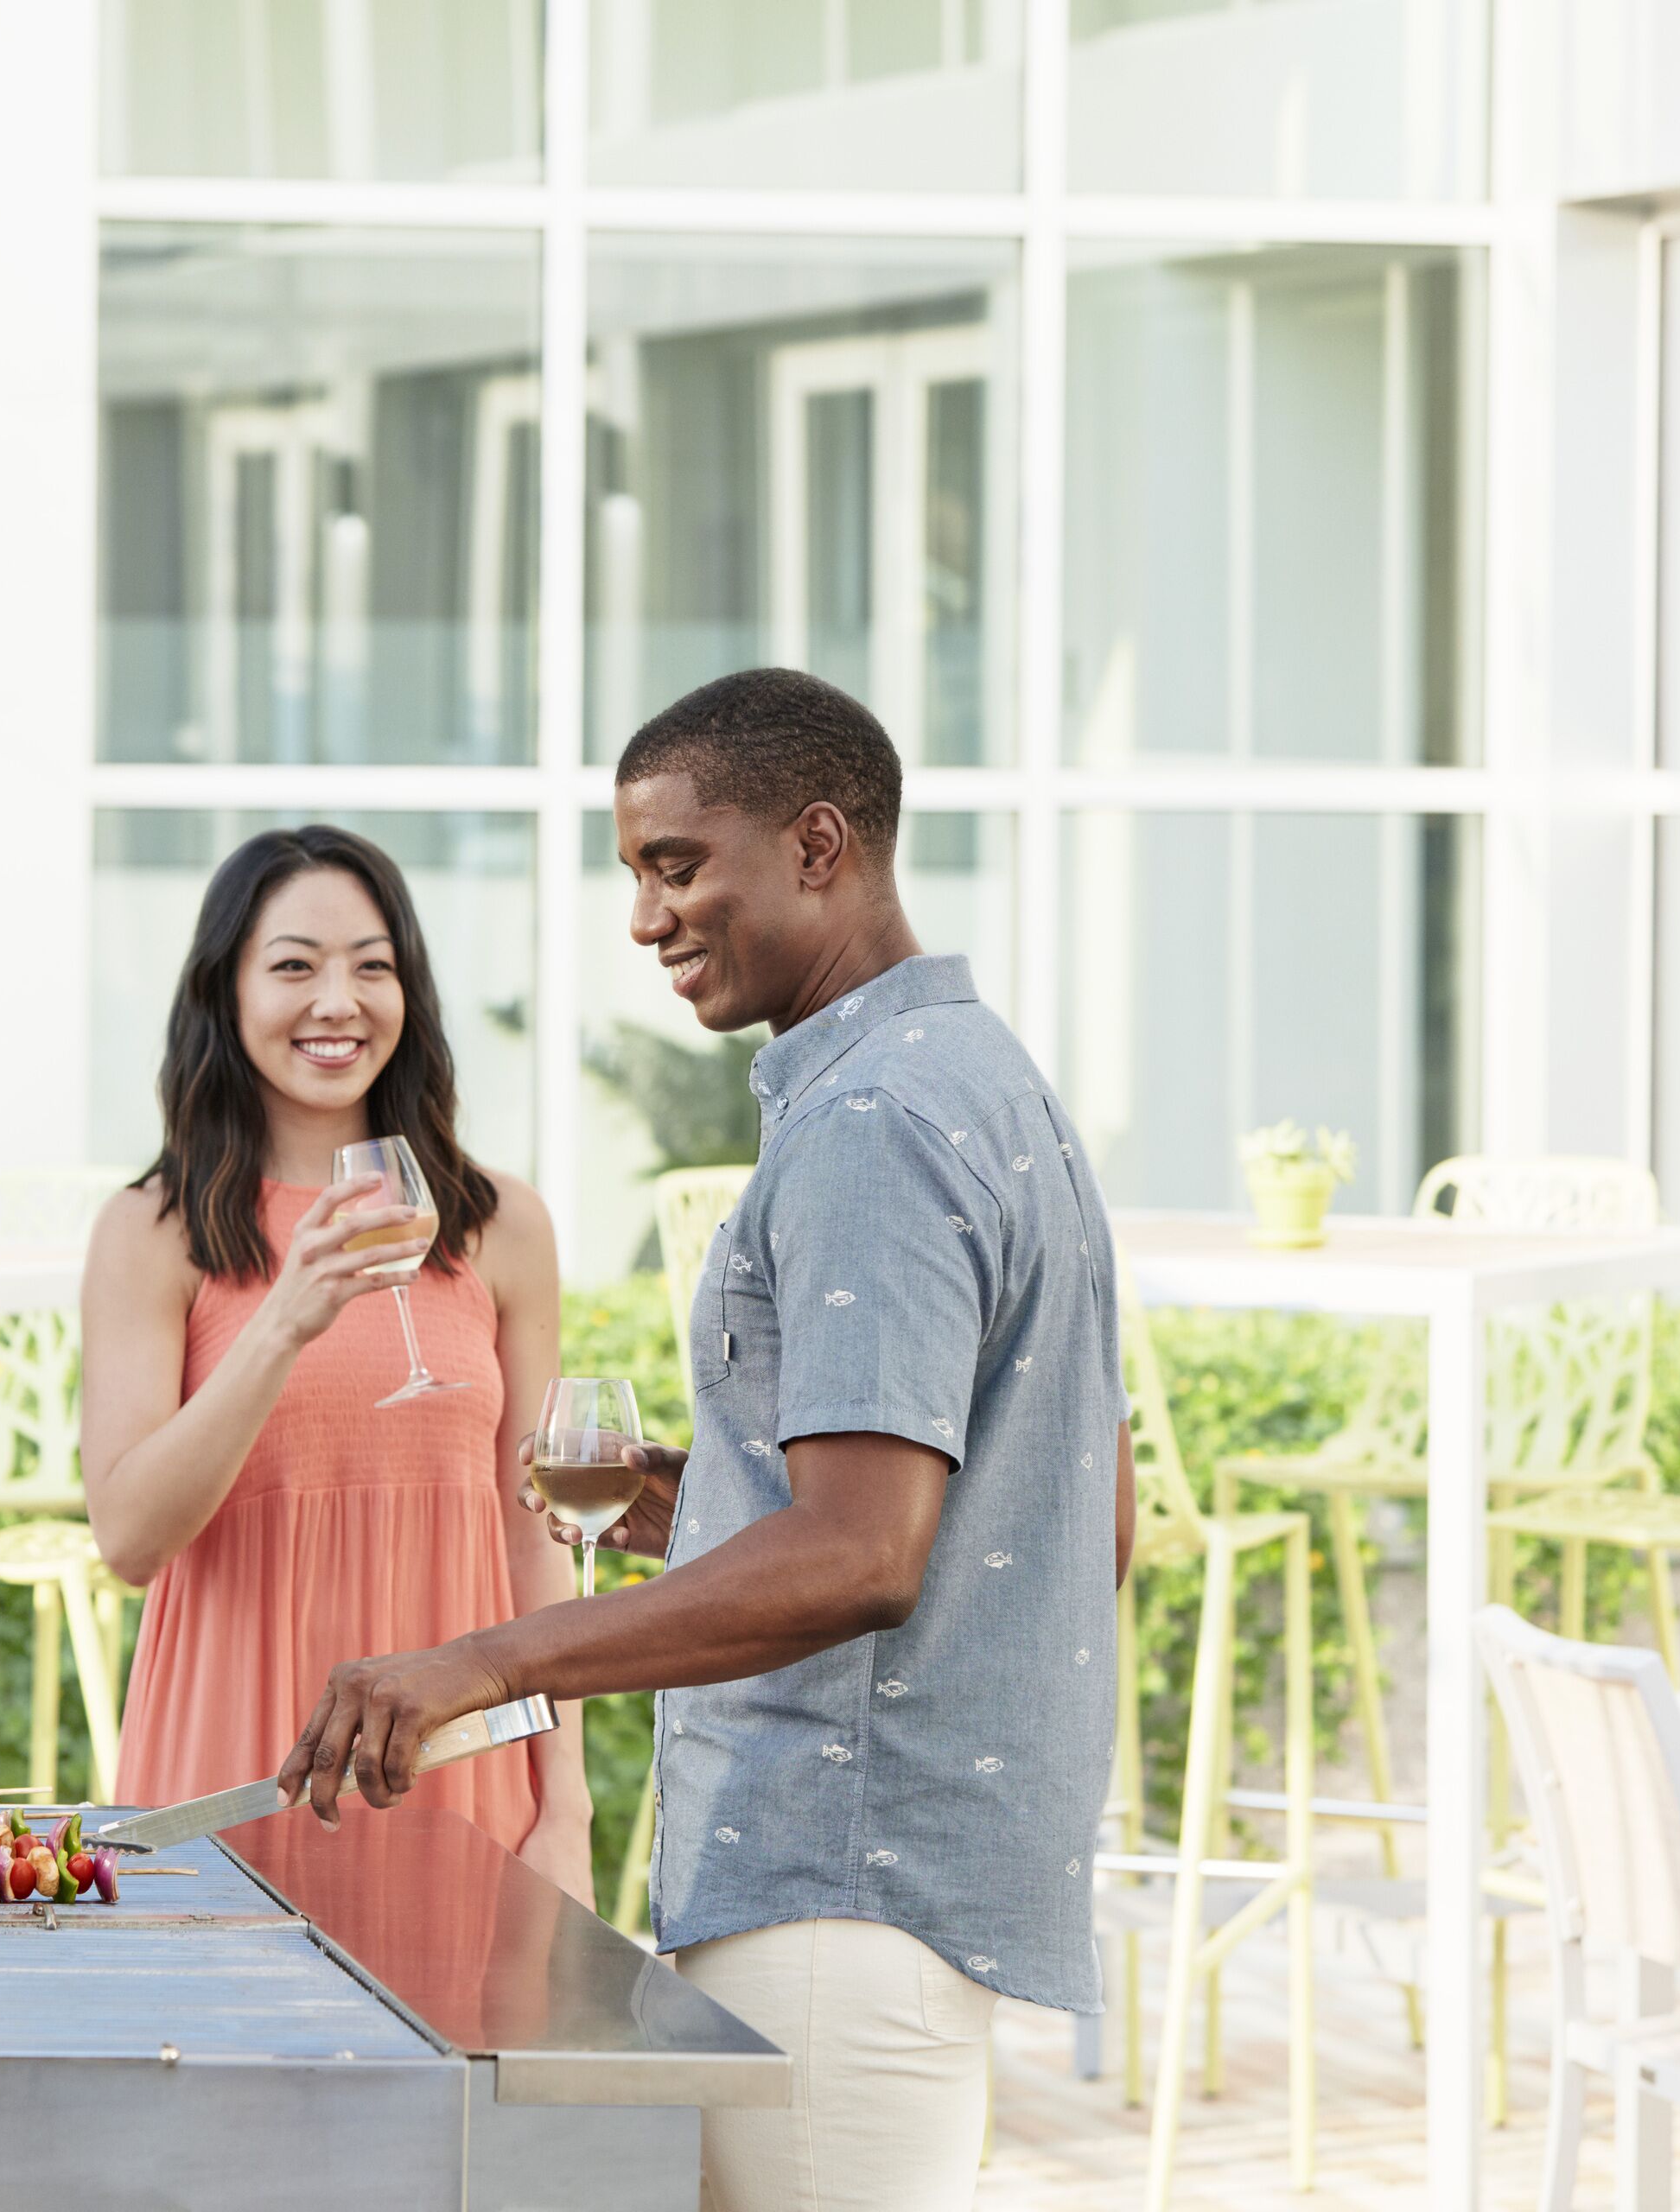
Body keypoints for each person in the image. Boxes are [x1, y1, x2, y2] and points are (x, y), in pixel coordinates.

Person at [278, 670, 1137, 2211]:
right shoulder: (989, 1082)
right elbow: (1081, 1516)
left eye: (678, 865)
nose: (645, 917)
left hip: (831, 1890)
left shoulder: (875, 1125)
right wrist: (727, 1502)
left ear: (819, 846)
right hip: (896, 1901)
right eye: (635, 874)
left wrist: (486, 1661)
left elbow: (867, 1553)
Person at [82, 823, 593, 1902]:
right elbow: (129, 1538)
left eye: (373, 965)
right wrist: (283, 1321)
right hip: (233, 1770)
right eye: (294, 966)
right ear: (224, 992)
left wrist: (567, 1807)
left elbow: (533, 1534)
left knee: (459, 2065)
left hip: (460, 1771)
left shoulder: (504, 1226)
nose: (338, 1001)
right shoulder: (151, 1230)